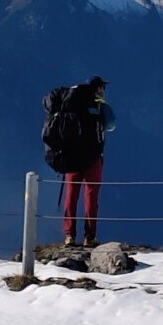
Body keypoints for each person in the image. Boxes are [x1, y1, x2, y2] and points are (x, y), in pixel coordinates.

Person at [61, 75, 114, 247]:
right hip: (93, 158)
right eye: (102, 87)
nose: (104, 90)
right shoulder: (100, 106)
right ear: (98, 88)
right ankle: (89, 237)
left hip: (72, 158)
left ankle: (69, 235)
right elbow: (111, 124)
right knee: (91, 197)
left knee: (71, 196)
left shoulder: (72, 104)